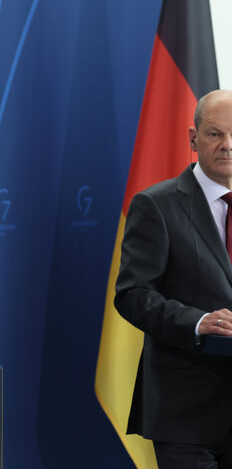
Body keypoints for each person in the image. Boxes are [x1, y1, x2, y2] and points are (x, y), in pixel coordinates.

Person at [115, 89, 232, 468]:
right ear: (193, 138)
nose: (227, 145)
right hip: (186, 411)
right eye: (215, 134)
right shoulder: (157, 204)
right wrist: (198, 322)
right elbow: (132, 293)